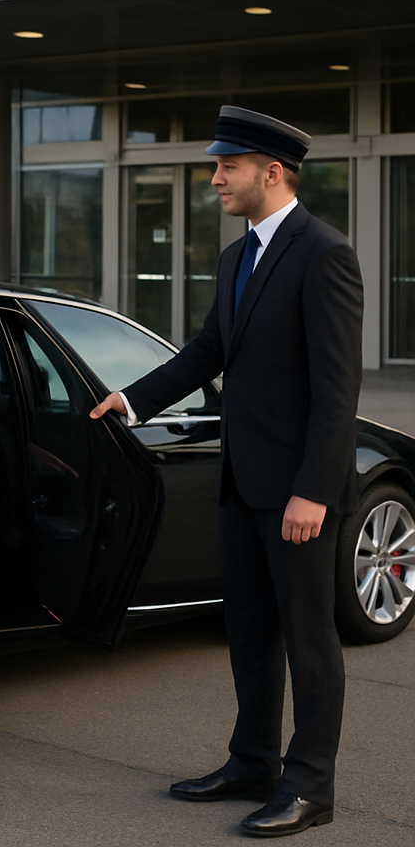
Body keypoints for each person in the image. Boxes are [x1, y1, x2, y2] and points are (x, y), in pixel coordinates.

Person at [91, 106, 363, 838]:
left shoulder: (323, 253)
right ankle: (252, 762)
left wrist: (312, 489)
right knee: (248, 631)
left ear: (271, 173)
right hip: (241, 484)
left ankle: (311, 787)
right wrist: (134, 398)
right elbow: (209, 349)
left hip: (298, 493)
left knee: (309, 640)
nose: (215, 179)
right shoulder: (238, 255)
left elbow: (339, 390)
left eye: (226, 167)